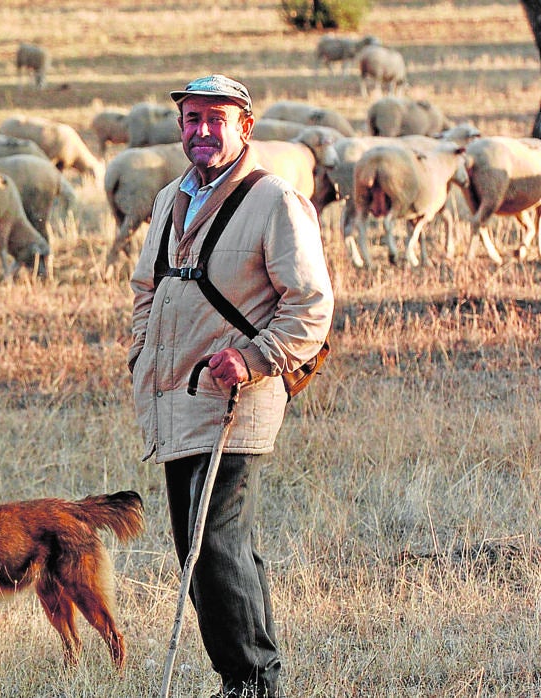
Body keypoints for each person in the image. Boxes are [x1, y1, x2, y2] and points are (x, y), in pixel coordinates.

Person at [127, 74, 334, 697]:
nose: (202, 130)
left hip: (235, 399)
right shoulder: (170, 199)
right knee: (209, 547)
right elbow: (147, 287)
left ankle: (249, 682)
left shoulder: (274, 199)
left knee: (211, 547)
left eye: (216, 119)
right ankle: (252, 672)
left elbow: (310, 304)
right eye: (192, 119)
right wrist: (142, 351)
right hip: (175, 395)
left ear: (245, 127)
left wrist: (254, 358)